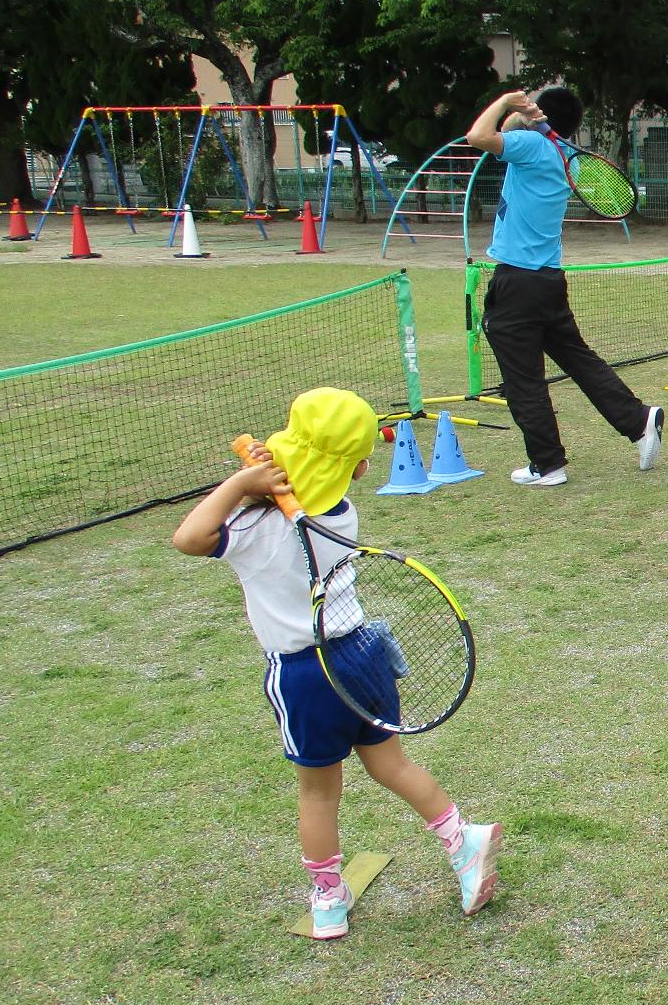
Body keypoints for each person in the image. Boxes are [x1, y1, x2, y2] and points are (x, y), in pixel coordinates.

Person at [171, 388, 501, 940]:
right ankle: (461, 839)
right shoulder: (342, 513)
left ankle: (328, 897)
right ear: (362, 467)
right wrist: (267, 487)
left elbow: (188, 537)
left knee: (318, 792)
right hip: (363, 655)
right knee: (390, 765)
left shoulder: (250, 530)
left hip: (305, 674)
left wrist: (240, 485)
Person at [466, 86, 663, 487]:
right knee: (579, 360)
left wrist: (507, 101)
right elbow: (506, 131)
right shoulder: (558, 152)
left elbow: (478, 137)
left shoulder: (530, 147)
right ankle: (638, 420)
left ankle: (547, 464)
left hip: (517, 282)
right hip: (547, 281)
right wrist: (524, 115)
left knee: (523, 380)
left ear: (542, 116)